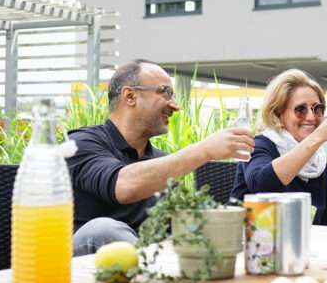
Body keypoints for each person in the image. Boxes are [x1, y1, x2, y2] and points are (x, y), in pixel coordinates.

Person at [68, 60, 254, 255]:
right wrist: (204, 150)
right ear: (130, 96)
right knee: (103, 230)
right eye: (165, 92)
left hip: (138, 267)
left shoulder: (159, 161)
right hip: (79, 262)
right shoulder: (81, 143)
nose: (175, 105)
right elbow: (123, 186)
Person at [231, 69, 327, 225]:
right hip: (251, 243)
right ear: (278, 114)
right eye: (301, 110)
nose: (311, 117)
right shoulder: (258, 145)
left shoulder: (318, 161)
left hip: (302, 244)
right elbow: (261, 185)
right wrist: (317, 137)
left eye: (317, 109)